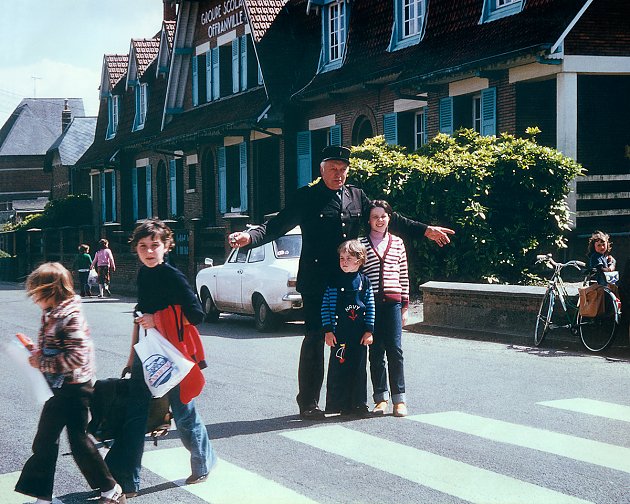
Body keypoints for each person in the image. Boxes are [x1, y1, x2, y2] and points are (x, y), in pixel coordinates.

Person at [228, 145, 454, 419]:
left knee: (351, 341)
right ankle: (309, 403)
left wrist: (425, 230)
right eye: (333, 169)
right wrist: (249, 238)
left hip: (349, 283)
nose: (339, 174)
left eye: (343, 169)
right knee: (314, 339)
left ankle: (351, 401)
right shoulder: (308, 197)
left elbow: (386, 219)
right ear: (322, 170)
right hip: (316, 281)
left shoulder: (357, 196)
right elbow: (277, 225)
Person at [105, 219, 215, 497]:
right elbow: (139, 317)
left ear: (167, 246)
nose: (149, 251)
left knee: (183, 412)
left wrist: (159, 318)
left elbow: (197, 315)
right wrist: (132, 357)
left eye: (155, 245)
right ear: (136, 249)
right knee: (136, 413)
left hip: (175, 355)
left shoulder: (172, 276)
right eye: (143, 246)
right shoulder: (143, 275)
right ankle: (128, 482)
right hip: (148, 352)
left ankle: (202, 463)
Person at [14, 262, 125, 504]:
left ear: (51, 291)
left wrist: (41, 362)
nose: (34, 300)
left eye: (36, 294)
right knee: (54, 440)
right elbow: (58, 349)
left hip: (75, 388)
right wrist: (37, 350)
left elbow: (77, 357)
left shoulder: (70, 316)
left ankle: (110, 489)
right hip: (61, 386)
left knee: (73, 441)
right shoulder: (52, 311)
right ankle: (46, 496)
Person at [360, 200, 410, 417]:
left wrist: (405, 307)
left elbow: (404, 276)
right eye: (375, 217)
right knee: (376, 352)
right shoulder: (361, 244)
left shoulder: (398, 243)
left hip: (393, 303)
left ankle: (400, 400)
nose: (379, 220)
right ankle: (381, 398)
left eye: (383, 216)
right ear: (369, 220)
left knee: (395, 351)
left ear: (389, 217)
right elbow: (358, 276)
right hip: (371, 305)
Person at [322, 240, 374, 416]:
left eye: (349, 258)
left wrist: (369, 331)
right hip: (340, 336)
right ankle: (337, 404)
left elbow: (370, 306)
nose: (344, 261)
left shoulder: (364, 282)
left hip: (358, 335)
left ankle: (358, 404)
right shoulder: (333, 282)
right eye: (341, 258)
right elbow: (326, 307)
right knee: (338, 368)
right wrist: (328, 330)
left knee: (358, 369)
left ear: (359, 260)